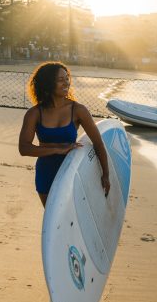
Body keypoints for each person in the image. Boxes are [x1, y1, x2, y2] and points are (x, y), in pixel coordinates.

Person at [18, 62, 111, 206]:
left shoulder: (79, 110)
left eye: (67, 78)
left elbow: (98, 143)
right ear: (48, 84)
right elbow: (24, 148)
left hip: (71, 170)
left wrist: (105, 174)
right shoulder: (34, 113)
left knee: (72, 215)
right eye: (60, 80)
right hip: (46, 171)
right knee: (54, 220)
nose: (66, 82)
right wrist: (58, 149)